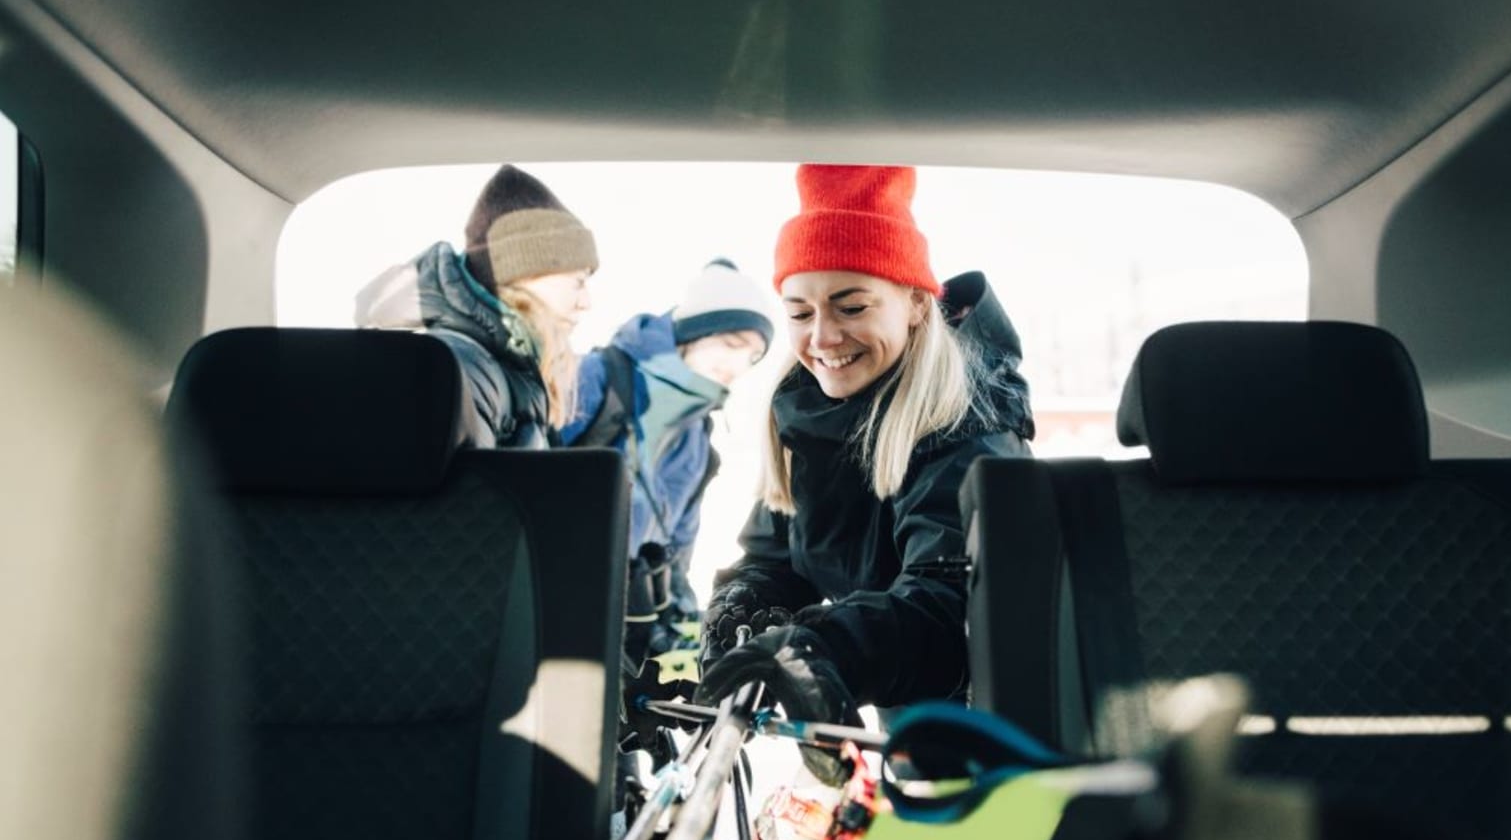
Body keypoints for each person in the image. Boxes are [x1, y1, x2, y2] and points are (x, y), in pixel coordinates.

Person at [695, 164, 1034, 730]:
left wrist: (822, 647)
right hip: (907, 724)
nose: (823, 338)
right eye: (800, 313)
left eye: (852, 307)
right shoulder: (809, 417)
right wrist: (748, 606)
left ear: (918, 304)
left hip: (986, 733)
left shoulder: (971, 432)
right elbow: (781, 554)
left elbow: (951, 611)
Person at [561, 258, 773, 662]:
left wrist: (685, 655)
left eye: (752, 357)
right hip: (550, 607)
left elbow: (676, 557)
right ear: (693, 332)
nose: (738, 366)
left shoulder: (696, 438)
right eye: (731, 344)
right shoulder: (597, 378)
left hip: (622, 628)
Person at [354, 163, 597, 448]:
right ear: (525, 274)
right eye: (578, 282)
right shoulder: (467, 370)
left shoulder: (504, 366)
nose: (586, 303)